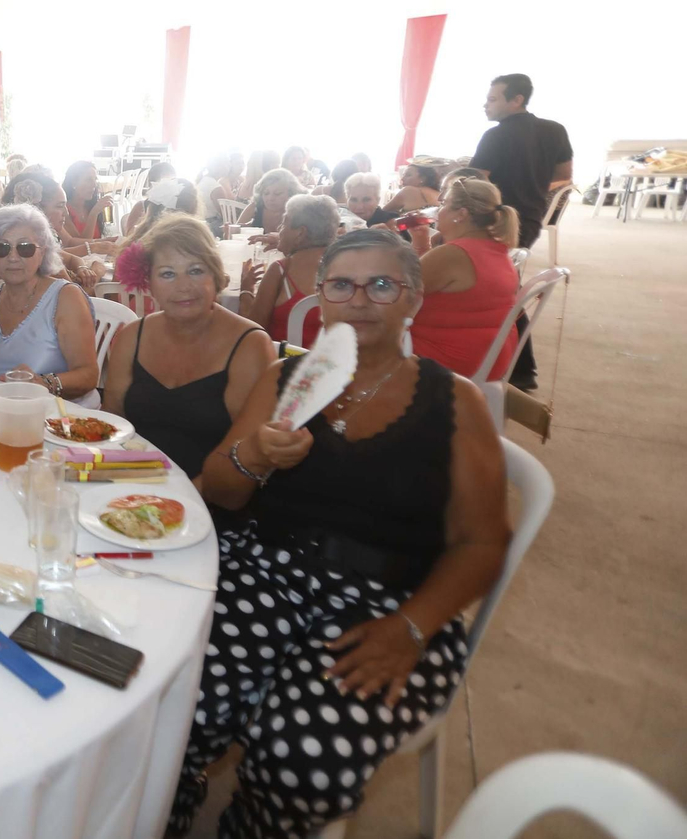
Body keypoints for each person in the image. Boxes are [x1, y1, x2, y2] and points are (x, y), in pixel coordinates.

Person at [168, 227, 509, 838]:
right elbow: (219, 489)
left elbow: (483, 542)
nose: (360, 300)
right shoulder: (287, 379)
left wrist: (413, 628)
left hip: (390, 602)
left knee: (303, 760)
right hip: (265, 567)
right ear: (320, 297)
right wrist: (257, 454)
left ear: (413, 298)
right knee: (175, 698)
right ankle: (169, 804)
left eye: (381, 285)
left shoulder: (455, 402)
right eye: (342, 286)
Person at [103, 214, 272, 477]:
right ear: (149, 284)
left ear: (216, 276)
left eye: (195, 270)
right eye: (167, 274)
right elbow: (113, 422)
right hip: (133, 485)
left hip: (211, 493)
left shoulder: (250, 346)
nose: (183, 286)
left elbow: (244, 455)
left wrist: (184, 496)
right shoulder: (132, 337)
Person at [471, 73, 570, 390]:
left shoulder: (496, 135)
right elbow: (564, 174)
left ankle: (522, 368)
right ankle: (516, 365)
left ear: (517, 100)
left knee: (502, 293)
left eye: (492, 99)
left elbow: (476, 182)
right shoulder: (555, 130)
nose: (485, 105)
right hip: (529, 219)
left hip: (496, 220)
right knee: (505, 286)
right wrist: (532, 183)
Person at [0, 204, 100, 404]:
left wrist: (45, 383)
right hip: (1, 411)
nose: (13, 257)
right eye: (1, 248)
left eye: (25, 248)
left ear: (43, 253)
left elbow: (89, 375)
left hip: (60, 414)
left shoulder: (65, 298)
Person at [408, 179, 521, 381]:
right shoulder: (495, 248)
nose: (438, 210)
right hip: (489, 356)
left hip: (448, 359)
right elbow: (437, 282)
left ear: (461, 214)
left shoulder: (454, 254)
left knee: (361, 333)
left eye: (444, 204)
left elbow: (397, 293)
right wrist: (421, 244)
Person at [239, 194, 340, 346]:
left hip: (285, 360)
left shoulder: (281, 270)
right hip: (335, 360)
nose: (279, 229)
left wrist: (246, 291)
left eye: (284, 223)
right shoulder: (344, 266)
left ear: (300, 233)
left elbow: (252, 332)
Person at [2, 172, 107, 288]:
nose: (66, 213)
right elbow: (76, 296)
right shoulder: (38, 255)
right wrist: (97, 272)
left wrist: (81, 267)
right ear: (37, 210)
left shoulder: (38, 243)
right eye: (60, 206)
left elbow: (72, 259)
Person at [237, 167, 306, 237]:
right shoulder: (255, 207)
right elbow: (235, 232)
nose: (270, 198)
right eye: (266, 193)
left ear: (292, 194)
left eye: (277, 193)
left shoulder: (299, 212)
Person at [60, 161, 111, 241]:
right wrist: (94, 213)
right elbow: (83, 244)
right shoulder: (64, 211)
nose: (94, 184)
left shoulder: (91, 205)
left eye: (95, 179)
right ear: (74, 183)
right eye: (89, 180)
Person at [196, 153, 238, 233]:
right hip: (212, 226)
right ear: (219, 166)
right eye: (227, 163)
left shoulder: (202, 181)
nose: (230, 166)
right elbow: (226, 216)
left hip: (203, 224)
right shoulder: (216, 187)